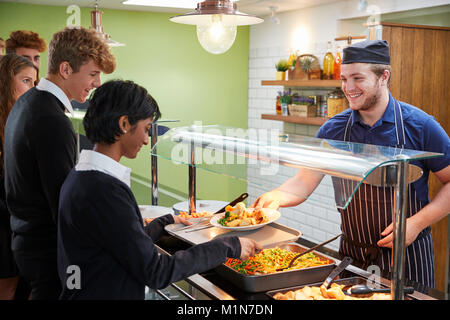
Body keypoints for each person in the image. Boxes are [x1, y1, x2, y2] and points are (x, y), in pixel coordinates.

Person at [252, 40, 450, 288]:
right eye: (344, 79)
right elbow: (304, 181)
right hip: (352, 256)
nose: (348, 87)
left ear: (383, 77)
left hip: (407, 256)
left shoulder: (421, 125)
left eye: (357, 78)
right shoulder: (333, 129)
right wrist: (276, 197)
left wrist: (416, 223)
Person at [57, 80, 262, 300]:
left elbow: (119, 241)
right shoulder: (104, 190)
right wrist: (228, 246)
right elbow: (156, 271)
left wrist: (163, 224)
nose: (147, 140)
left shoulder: (82, 175)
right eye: (146, 129)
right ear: (124, 124)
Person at [4, 26, 116, 300]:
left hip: (26, 243)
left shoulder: (28, 102)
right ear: (65, 69)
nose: (97, 83)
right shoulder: (52, 119)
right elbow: (64, 205)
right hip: (49, 253)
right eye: (92, 74)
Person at [0, 54, 38, 300]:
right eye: (26, 81)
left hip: (16, 223)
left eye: (34, 83)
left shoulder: (20, 122)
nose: (31, 89)